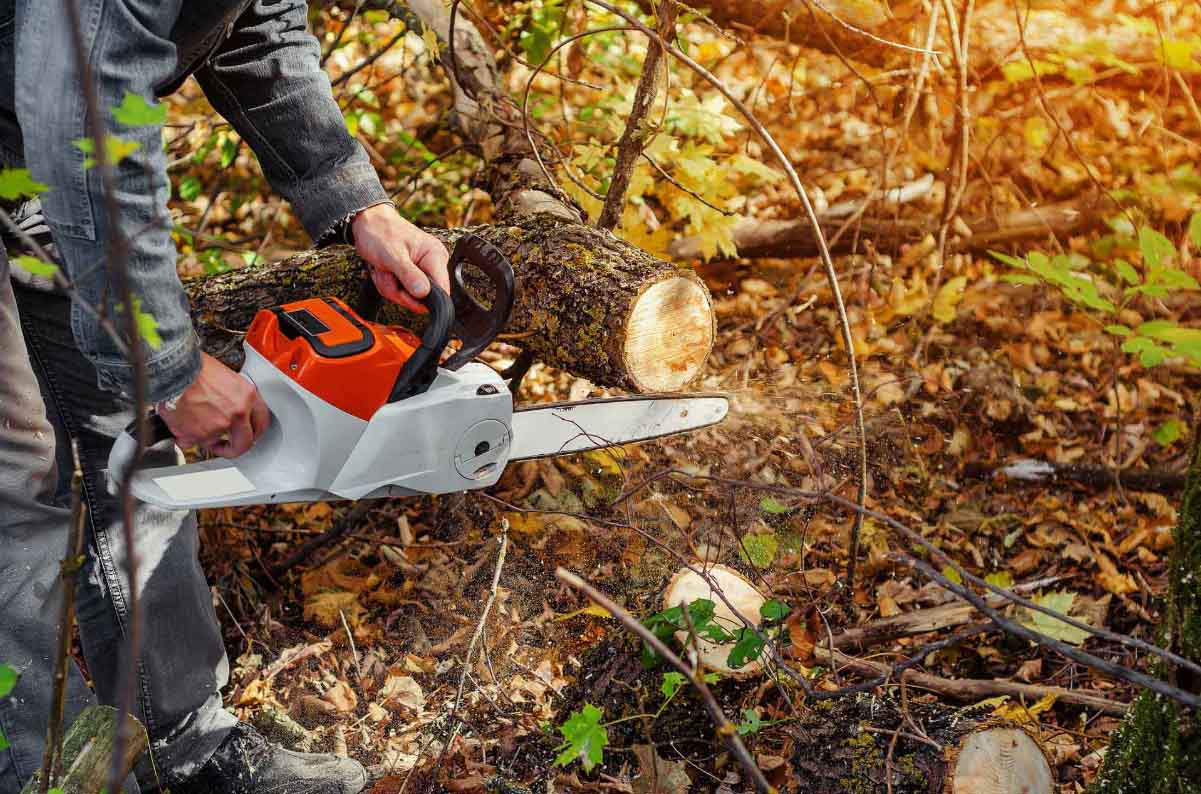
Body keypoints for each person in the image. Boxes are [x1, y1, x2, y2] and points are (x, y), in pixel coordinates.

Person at [0, 2, 450, 792]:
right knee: (15, 479)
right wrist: (167, 365)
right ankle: (32, 772)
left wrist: (352, 200)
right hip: (54, 154)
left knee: (134, 457)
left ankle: (185, 750)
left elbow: (256, 26)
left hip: (35, 170)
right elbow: (84, 115)